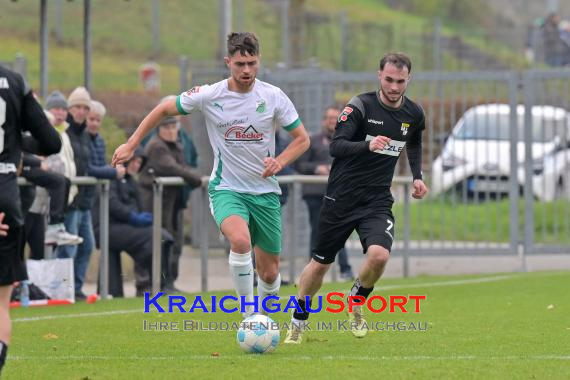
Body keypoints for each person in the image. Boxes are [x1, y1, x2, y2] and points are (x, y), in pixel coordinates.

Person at [113, 32, 310, 317]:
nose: (246, 70)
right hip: (226, 188)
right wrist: (132, 144)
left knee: (269, 272)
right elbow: (163, 108)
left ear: (259, 62)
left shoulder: (273, 96)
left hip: (265, 192)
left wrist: (279, 162)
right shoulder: (209, 95)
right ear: (228, 62)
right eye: (240, 63)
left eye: (251, 63)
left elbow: (301, 139)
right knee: (240, 241)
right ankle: (248, 317)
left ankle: (265, 318)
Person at [284, 52, 428, 344]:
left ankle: (356, 299)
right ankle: (298, 320)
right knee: (320, 265)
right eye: (388, 79)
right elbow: (336, 146)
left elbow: (413, 142)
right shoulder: (360, 106)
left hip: (376, 199)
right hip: (341, 198)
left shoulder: (414, 113)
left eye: (400, 81)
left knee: (379, 255)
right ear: (379, 75)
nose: (394, 87)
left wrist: (417, 176)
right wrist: (368, 144)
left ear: (408, 79)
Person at [0, 65, 62, 375]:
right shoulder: (14, 81)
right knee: (0, 306)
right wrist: (14, 144)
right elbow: (52, 142)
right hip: (5, 203)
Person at [94, 148, 173, 297]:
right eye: (135, 161)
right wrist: (133, 217)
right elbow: (112, 205)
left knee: (164, 237)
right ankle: (157, 286)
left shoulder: (131, 181)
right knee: (158, 237)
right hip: (107, 227)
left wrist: (142, 217)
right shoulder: (111, 176)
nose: (137, 165)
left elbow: (140, 207)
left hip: (124, 227)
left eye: (139, 162)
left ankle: (162, 284)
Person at [138, 116, 201, 293]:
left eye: (174, 127)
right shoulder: (157, 146)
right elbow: (172, 168)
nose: (172, 131)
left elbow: (183, 166)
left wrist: (192, 176)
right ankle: (154, 284)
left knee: (174, 242)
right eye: (167, 127)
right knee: (161, 241)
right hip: (157, 202)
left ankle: (168, 283)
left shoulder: (175, 145)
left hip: (172, 201)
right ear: (159, 129)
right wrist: (196, 179)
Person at [295, 106, 354, 280]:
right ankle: (312, 270)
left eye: (336, 118)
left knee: (339, 230)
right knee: (317, 231)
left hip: (339, 194)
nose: (332, 121)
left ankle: (344, 269)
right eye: (329, 118)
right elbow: (300, 165)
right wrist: (317, 169)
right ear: (323, 121)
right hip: (315, 194)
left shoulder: (348, 142)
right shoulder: (312, 141)